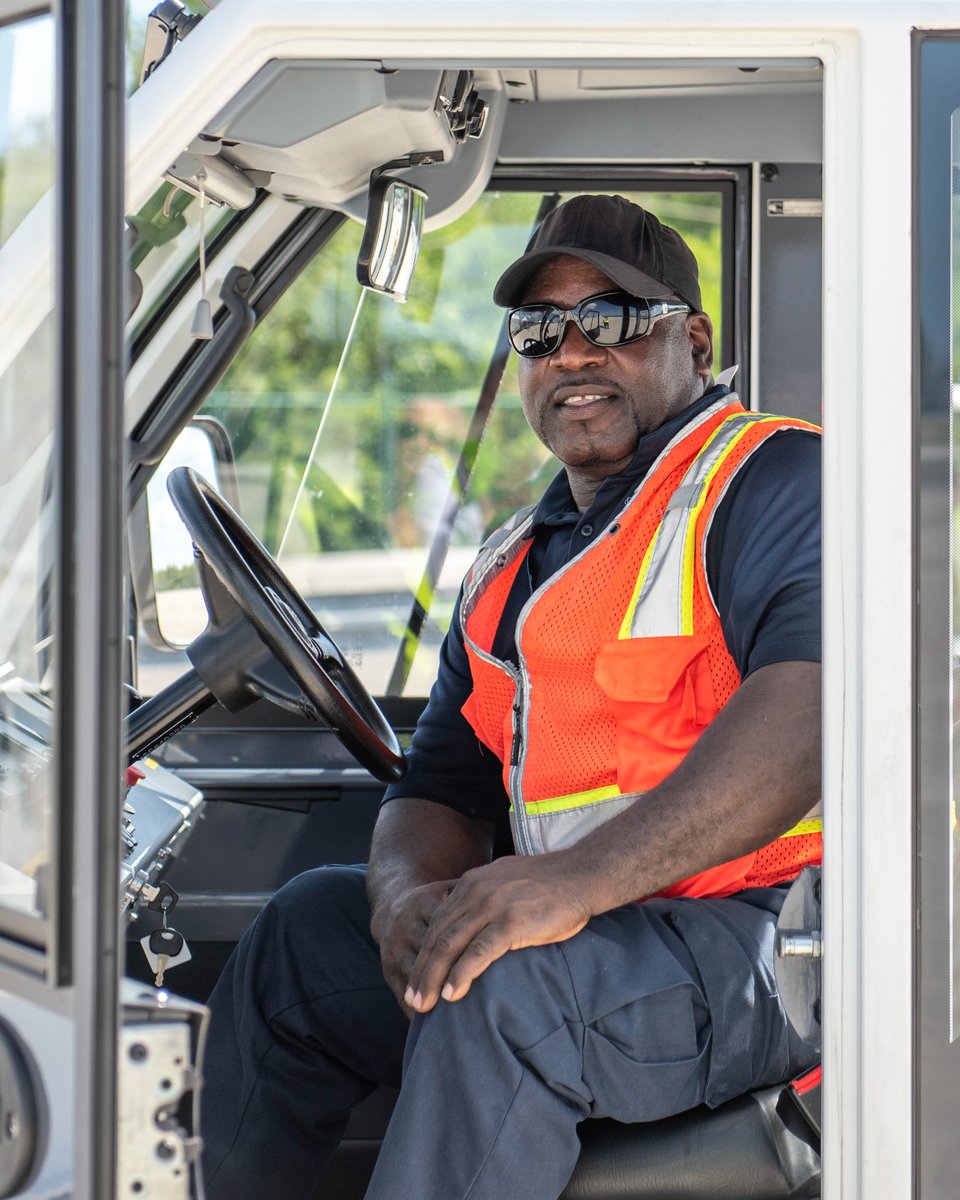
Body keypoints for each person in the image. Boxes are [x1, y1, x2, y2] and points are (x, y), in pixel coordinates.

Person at [200, 194, 822, 1200]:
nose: (571, 353)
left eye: (611, 320)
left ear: (694, 340)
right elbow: (441, 781)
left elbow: (807, 724)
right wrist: (406, 899)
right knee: (308, 935)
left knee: (505, 991)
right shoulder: (513, 568)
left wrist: (567, 887)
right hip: (608, 944)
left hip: (765, 946)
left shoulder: (771, 479)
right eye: (539, 331)